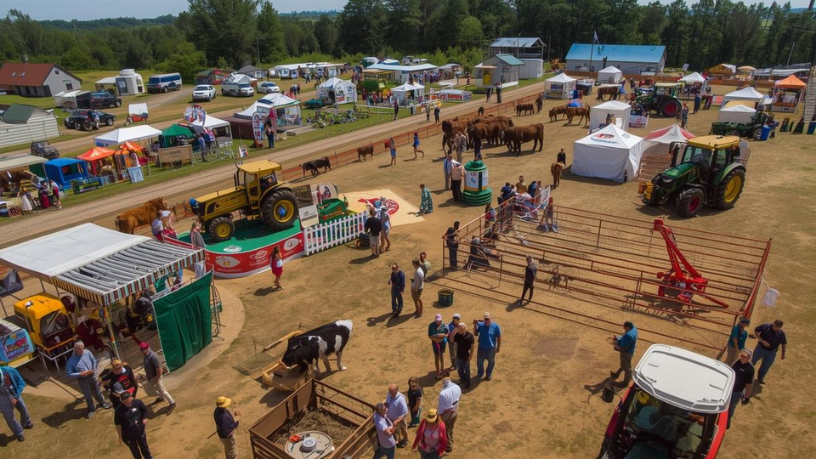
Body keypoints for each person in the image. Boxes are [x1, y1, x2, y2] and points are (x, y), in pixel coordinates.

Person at [66, 340, 112, 418]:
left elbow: (94, 360)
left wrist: (94, 369)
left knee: (97, 391)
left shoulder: (87, 352)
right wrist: (80, 374)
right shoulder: (71, 361)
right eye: (80, 349)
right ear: (75, 349)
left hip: (92, 375)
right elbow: (69, 373)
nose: (82, 350)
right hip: (82, 379)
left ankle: (102, 402)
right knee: (87, 394)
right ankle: (91, 408)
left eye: (83, 348)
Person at [140, 342, 176, 414]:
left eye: (145, 349)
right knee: (157, 389)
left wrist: (156, 380)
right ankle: (162, 398)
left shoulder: (153, 357)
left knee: (162, 390)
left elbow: (160, 370)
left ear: (148, 347)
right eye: (142, 349)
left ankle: (172, 402)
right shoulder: (146, 355)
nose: (144, 350)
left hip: (156, 377)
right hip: (152, 377)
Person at [0, 363, 33, 442]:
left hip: (14, 392)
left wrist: (15, 396)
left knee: (23, 408)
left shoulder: (10, 370)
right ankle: (19, 433)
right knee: (9, 416)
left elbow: (21, 382)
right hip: (1, 397)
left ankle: (26, 423)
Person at [114, 392, 151, 459]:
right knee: (134, 449)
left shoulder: (138, 402)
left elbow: (145, 411)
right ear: (121, 401)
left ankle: (148, 457)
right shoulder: (118, 411)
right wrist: (120, 437)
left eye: (128, 400)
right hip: (128, 434)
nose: (127, 402)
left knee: (144, 445)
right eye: (124, 401)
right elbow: (118, 424)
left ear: (131, 398)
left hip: (140, 430)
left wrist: (145, 418)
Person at [752, 319, 787, 384]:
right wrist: (762, 340)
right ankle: (746, 373)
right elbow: (756, 330)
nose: (776, 328)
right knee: (753, 361)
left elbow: (783, 343)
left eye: (778, 327)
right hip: (760, 348)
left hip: (772, 352)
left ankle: (760, 377)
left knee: (766, 365)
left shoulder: (781, 333)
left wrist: (783, 353)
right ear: (773, 323)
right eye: (775, 326)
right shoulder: (766, 327)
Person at [727, 349, 754, 430]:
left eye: (744, 356)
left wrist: (746, 396)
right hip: (729, 388)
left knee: (730, 409)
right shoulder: (737, 362)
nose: (741, 357)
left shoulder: (750, 369)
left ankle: (727, 424)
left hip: (736, 392)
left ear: (748, 358)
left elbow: (749, 385)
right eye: (741, 355)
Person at [474, 313, 501, 381]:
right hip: (481, 348)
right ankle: (480, 373)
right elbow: (475, 333)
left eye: (488, 319)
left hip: (491, 349)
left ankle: (488, 374)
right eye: (485, 319)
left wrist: (498, 346)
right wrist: (475, 324)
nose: (487, 321)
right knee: (479, 362)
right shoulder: (481, 325)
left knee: (491, 362)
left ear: (490, 319)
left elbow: (499, 336)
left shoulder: (495, 326)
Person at [436, 375, 460, 453]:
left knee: (445, 429)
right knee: (451, 427)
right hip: (455, 410)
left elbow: (440, 410)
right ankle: (451, 441)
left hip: (446, 414)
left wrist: (439, 417)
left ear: (444, 383)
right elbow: (459, 398)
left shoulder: (443, 393)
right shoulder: (457, 387)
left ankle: (449, 446)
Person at [610, 321, 638, 387]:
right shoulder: (634, 329)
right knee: (624, 363)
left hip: (626, 353)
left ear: (627, 327)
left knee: (627, 368)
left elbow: (623, 348)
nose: (623, 328)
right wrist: (617, 338)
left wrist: (615, 344)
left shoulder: (629, 335)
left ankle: (625, 383)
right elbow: (624, 338)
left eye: (624, 327)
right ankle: (617, 374)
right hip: (631, 350)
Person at [452, 323, 475, 388]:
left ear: (465, 328)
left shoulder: (470, 336)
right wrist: (455, 355)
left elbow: (472, 347)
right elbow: (453, 342)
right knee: (460, 369)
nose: (461, 330)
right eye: (460, 328)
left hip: (466, 356)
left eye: (462, 328)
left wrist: (470, 357)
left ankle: (468, 383)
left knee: (467, 370)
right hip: (459, 356)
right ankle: (463, 379)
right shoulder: (457, 335)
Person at [429, 314, 448, 379]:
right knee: (436, 356)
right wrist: (437, 338)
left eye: (439, 320)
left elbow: (446, 333)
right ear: (435, 320)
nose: (438, 322)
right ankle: (438, 371)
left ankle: (443, 369)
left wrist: (443, 335)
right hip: (435, 342)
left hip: (443, 342)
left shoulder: (444, 325)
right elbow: (430, 335)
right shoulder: (431, 325)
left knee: (442, 355)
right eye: (437, 320)